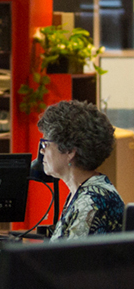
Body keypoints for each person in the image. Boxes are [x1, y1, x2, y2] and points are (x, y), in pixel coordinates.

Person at [38, 100, 123, 240]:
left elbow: (69, 260)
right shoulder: (85, 191)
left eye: (46, 143)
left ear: (70, 151)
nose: (42, 150)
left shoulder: (91, 202)